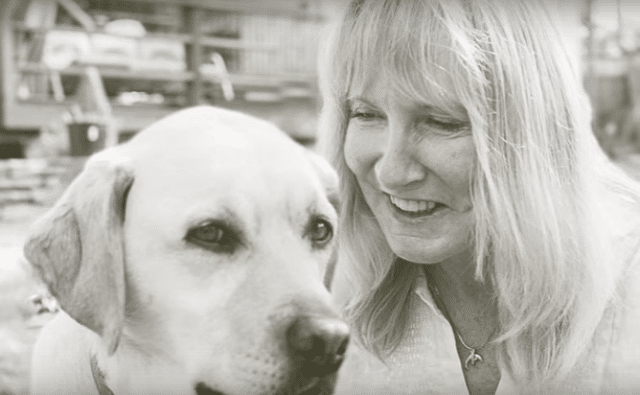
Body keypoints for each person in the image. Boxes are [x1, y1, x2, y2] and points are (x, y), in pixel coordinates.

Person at [316, 0, 640, 393]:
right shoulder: (324, 284)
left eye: (441, 121)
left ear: (532, 138)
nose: (391, 172)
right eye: (366, 114)